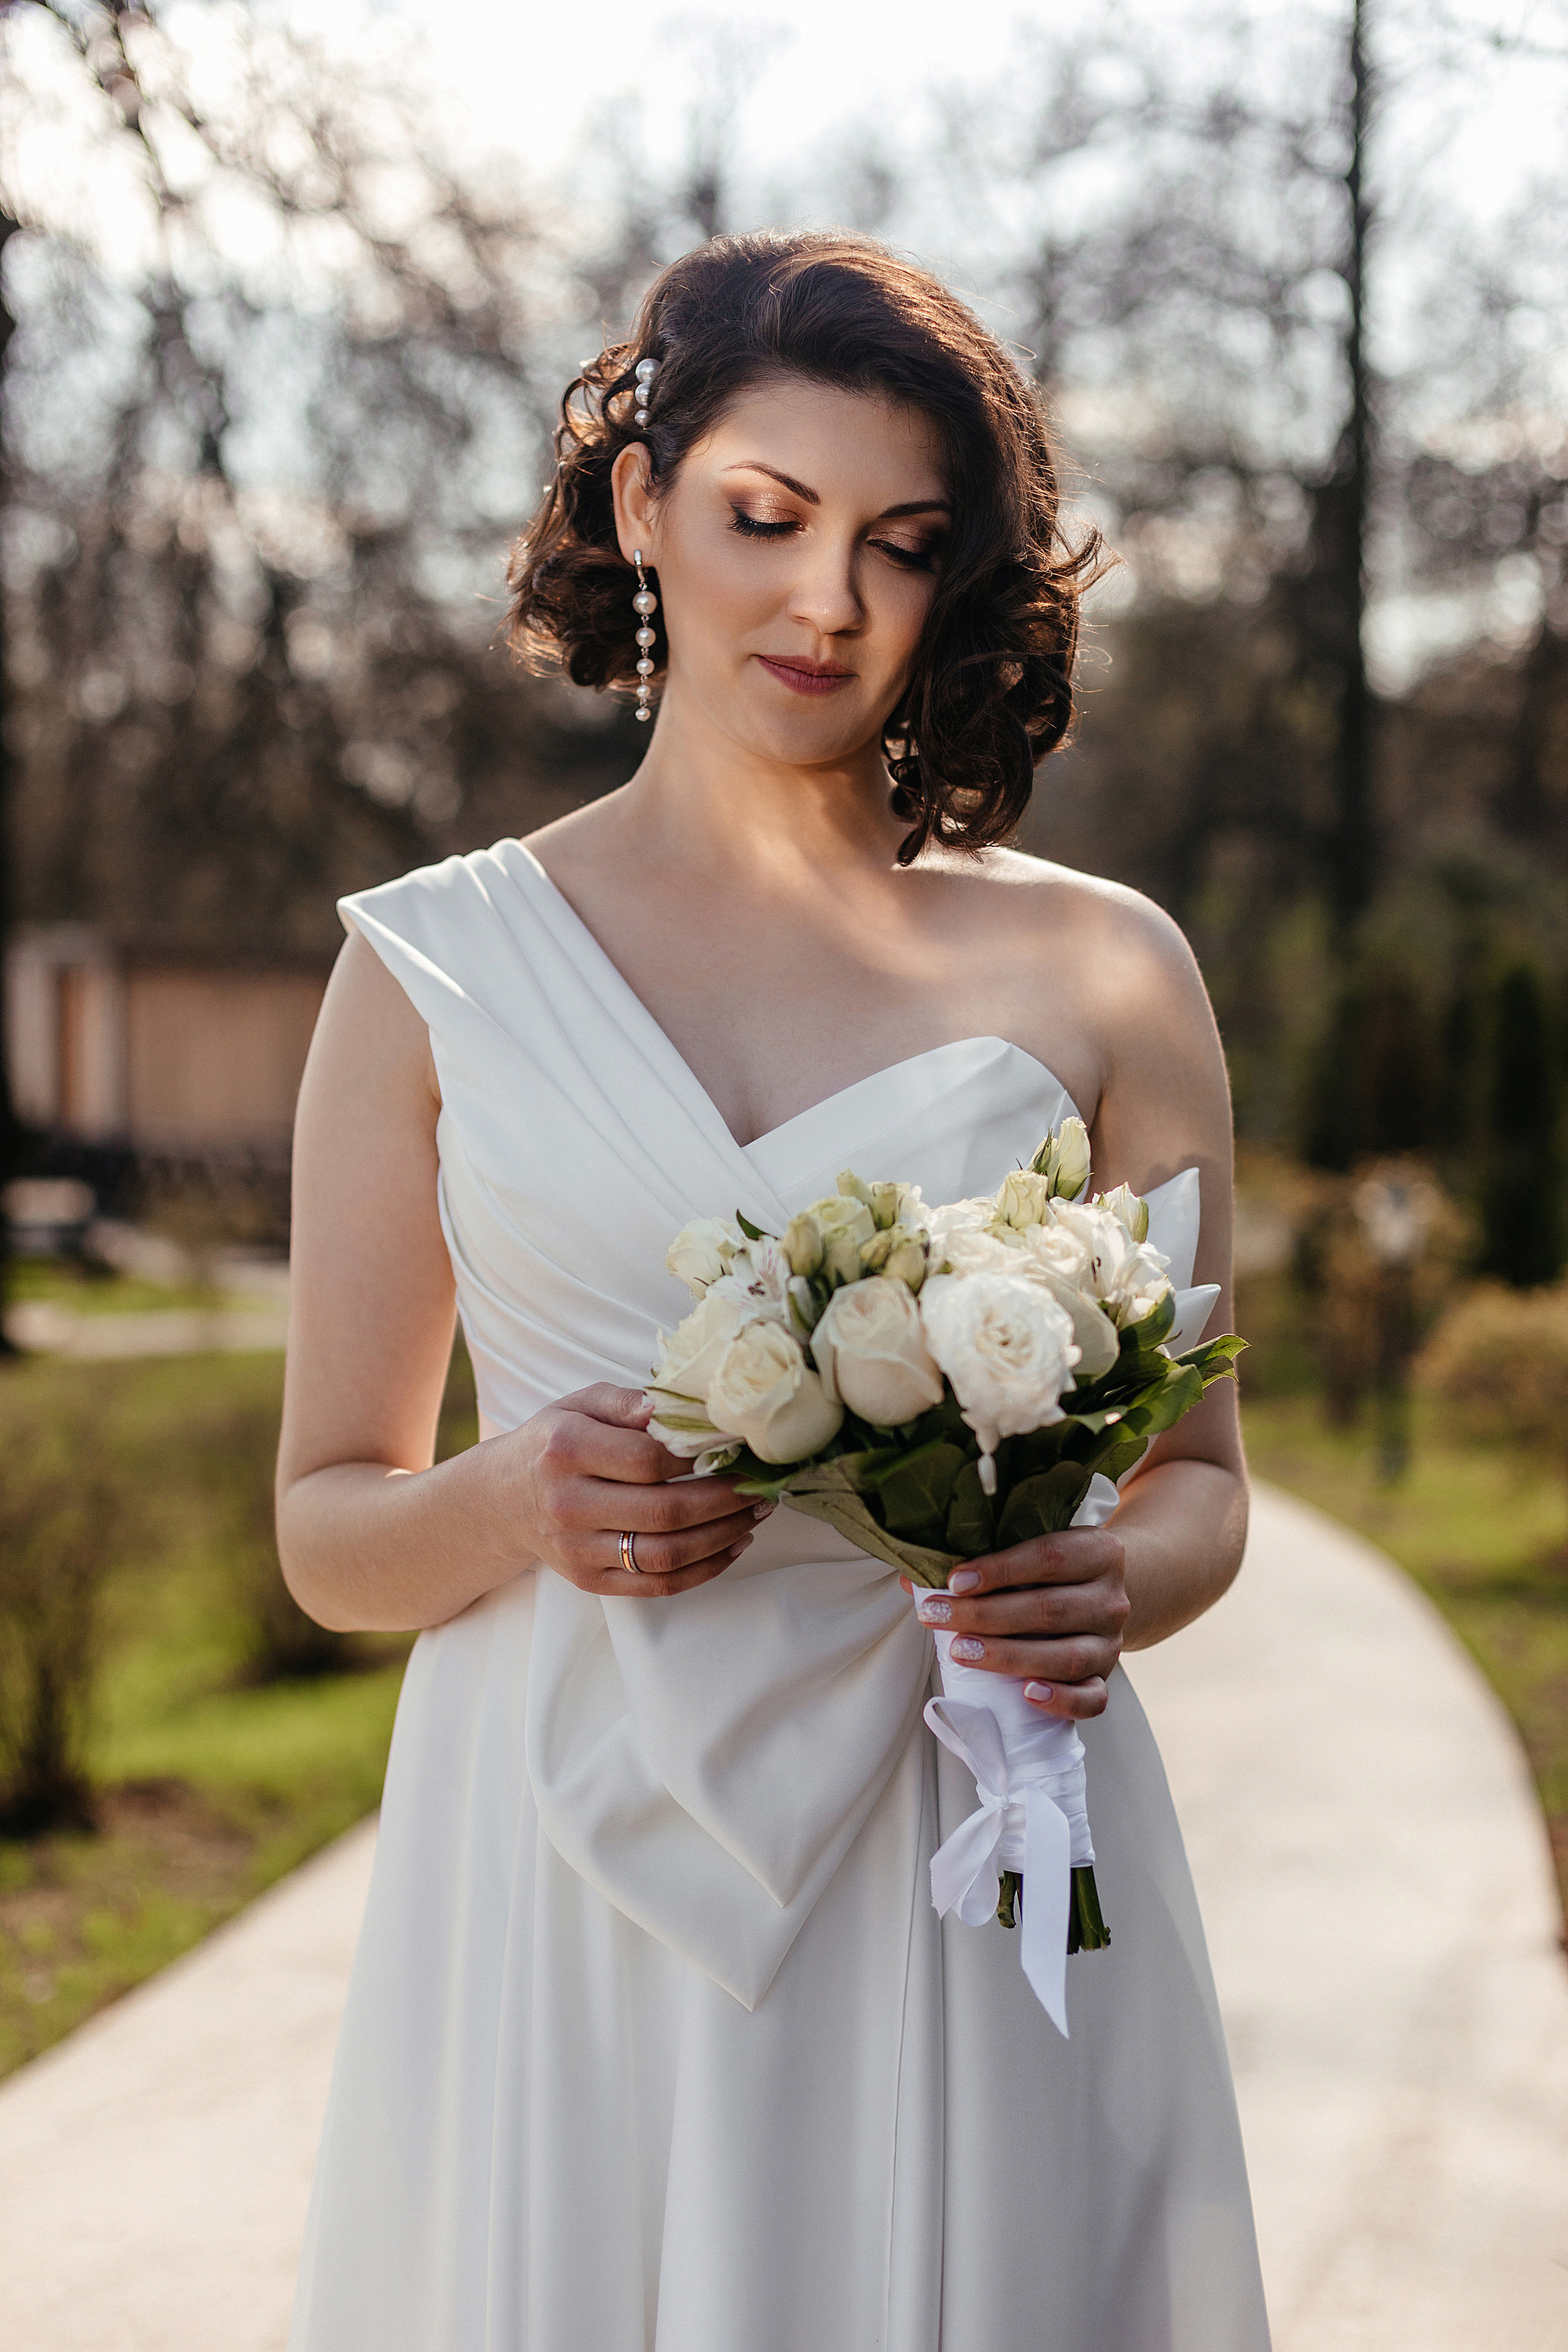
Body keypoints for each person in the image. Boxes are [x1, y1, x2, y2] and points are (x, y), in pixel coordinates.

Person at [278, 229, 1270, 2351]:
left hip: (962, 1827)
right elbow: (328, 1528)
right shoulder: (432, 971)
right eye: (767, 518)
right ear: (645, 508)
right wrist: (506, 1500)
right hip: (562, 1847)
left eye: (900, 548)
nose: (825, 602)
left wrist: (1114, 1579)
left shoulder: (1107, 970)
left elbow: (1199, 1486)